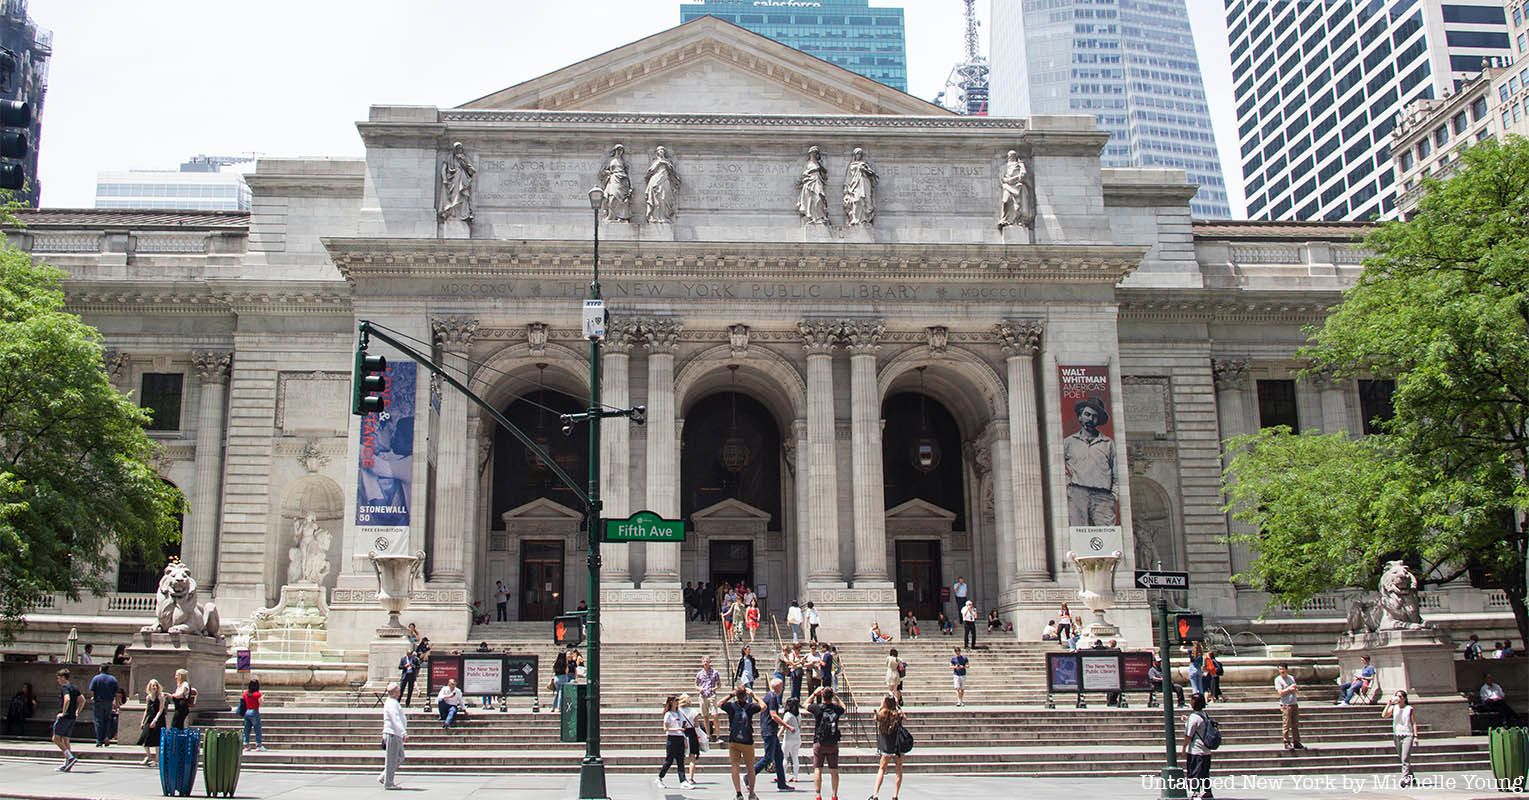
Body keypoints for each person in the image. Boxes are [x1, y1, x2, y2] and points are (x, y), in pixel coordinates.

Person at [1063, 396, 1118, 527]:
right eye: (1087, 414)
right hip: (1077, 494)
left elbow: (1116, 470)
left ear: (1098, 420)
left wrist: (1114, 494)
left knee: (1106, 536)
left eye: (1094, 416)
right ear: (1080, 417)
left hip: (1103, 496)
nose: (1090, 419)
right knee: (1078, 534)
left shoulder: (1108, 443)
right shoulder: (1068, 442)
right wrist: (1067, 488)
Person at [720, 686, 765, 800]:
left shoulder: (731, 706)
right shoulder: (750, 707)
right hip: (747, 741)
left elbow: (719, 703)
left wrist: (731, 695)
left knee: (735, 766)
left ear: (737, 694)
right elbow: (764, 706)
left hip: (734, 740)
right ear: (745, 695)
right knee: (750, 767)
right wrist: (753, 695)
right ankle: (751, 793)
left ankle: (739, 793)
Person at [752, 677, 793, 792]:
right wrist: (787, 725)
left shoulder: (769, 696)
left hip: (771, 731)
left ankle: (781, 783)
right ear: (778, 687)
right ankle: (749, 776)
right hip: (769, 730)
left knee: (779, 757)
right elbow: (773, 715)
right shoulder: (773, 697)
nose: (783, 687)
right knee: (768, 757)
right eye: (781, 685)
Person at [807, 687, 846, 800]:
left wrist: (814, 694)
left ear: (822, 696)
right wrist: (836, 697)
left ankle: (818, 794)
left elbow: (805, 704)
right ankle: (834, 795)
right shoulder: (836, 708)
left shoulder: (818, 708)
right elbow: (844, 707)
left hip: (819, 741)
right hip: (832, 743)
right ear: (831, 696)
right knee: (834, 770)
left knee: (818, 768)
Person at [870, 695, 907, 800]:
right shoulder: (898, 713)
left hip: (886, 745)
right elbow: (905, 717)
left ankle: (876, 793)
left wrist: (881, 706)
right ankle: (895, 795)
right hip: (897, 745)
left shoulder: (882, 714)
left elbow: (875, 718)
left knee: (882, 768)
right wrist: (898, 707)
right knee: (899, 770)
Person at [1382, 689, 1418, 787]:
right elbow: (1384, 715)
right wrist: (1388, 704)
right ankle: (1412, 778)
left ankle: (1404, 779)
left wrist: (1415, 736)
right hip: (1397, 735)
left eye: (1400, 696)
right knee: (1402, 758)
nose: (1398, 698)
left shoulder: (1409, 708)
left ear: (1404, 698)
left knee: (1405, 758)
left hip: (1407, 734)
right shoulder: (1394, 708)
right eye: (1397, 696)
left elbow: (1413, 723)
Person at [1182, 693, 1214, 799]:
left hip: (1196, 750)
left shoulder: (1194, 717)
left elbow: (1188, 735)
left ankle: (1195, 792)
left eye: (1192, 700)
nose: (1191, 702)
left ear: (1194, 702)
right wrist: (1187, 720)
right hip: (1206, 750)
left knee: (1195, 772)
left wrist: (1183, 749)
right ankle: (1207, 791)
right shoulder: (1204, 715)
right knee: (1205, 772)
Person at [52, 668, 83, 772]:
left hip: (65, 717)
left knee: (56, 738)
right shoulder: (74, 688)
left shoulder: (65, 688)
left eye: (59, 678)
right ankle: (67, 764)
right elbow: (82, 700)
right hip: (72, 717)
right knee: (66, 740)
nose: (58, 680)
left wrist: (63, 713)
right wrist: (77, 711)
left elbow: (67, 699)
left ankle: (70, 757)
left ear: (63, 677)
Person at [657, 694, 688, 790]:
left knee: (680, 760)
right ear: (671, 702)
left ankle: (683, 781)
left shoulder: (680, 713)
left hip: (680, 737)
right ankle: (660, 778)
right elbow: (665, 728)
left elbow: (683, 725)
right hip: (672, 738)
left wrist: (684, 737)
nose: (677, 702)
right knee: (669, 760)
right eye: (675, 701)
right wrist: (677, 728)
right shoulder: (668, 714)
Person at [380, 681, 407, 790]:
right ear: (395, 692)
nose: (400, 691)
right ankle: (389, 783)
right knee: (392, 759)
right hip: (392, 733)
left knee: (400, 757)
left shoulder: (394, 702)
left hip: (396, 734)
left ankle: (384, 777)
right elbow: (395, 719)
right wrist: (403, 732)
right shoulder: (391, 703)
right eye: (398, 690)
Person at [87, 664, 118, 748]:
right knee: (108, 720)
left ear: (100, 669)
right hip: (109, 702)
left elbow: (92, 690)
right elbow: (116, 692)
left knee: (98, 721)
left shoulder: (96, 678)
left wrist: (93, 697)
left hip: (98, 702)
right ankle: (107, 737)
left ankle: (99, 740)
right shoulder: (113, 679)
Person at [1274, 664, 1304, 751]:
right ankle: (1286, 741)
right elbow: (1280, 692)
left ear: (1286, 669)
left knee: (1295, 724)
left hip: (1294, 703)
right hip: (1285, 704)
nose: (1281, 671)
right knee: (1286, 724)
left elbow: (1295, 687)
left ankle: (1296, 742)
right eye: (1280, 669)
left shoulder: (1291, 678)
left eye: (1283, 669)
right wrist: (1289, 689)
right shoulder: (1278, 680)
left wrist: (1293, 689)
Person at [137, 679, 165, 767]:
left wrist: (155, 720)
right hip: (149, 718)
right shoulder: (148, 697)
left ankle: (157, 759)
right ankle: (148, 756)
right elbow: (146, 709)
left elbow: (161, 709)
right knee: (144, 737)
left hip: (158, 719)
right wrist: (143, 721)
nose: (154, 687)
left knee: (157, 739)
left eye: (156, 685)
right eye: (153, 685)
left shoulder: (161, 696)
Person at [677, 694, 702, 790]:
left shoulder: (678, 711)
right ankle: (691, 778)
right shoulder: (693, 711)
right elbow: (696, 724)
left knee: (681, 757)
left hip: (681, 733)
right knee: (692, 757)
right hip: (691, 733)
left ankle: (683, 777)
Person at [696, 655, 722, 740]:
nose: (706, 663)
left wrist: (714, 689)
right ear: (702, 662)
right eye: (704, 661)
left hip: (711, 695)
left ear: (709, 662)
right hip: (703, 695)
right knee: (705, 716)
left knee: (715, 715)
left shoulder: (715, 672)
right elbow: (696, 684)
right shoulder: (700, 673)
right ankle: (708, 735)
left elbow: (719, 684)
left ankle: (718, 734)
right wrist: (699, 688)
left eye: (707, 661)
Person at [782, 697, 803, 785]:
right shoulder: (799, 715)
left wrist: (778, 735)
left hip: (788, 738)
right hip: (797, 738)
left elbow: (783, 725)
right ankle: (796, 776)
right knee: (795, 757)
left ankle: (782, 775)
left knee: (785, 756)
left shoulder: (788, 715)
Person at [241, 679, 265, 751]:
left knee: (246, 729)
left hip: (247, 712)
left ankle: (246, 745)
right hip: (254, 711)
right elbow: (261, 703)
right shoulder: (257, 694)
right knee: (257, 729)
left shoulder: (245, 693)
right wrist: (263, 698)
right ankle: (258, 745)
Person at [474, 642, 496, 710]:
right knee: (486, 691)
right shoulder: (489, 653)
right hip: (486, 673)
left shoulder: (478, 653)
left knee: (486, 691)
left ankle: (486, 704)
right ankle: (487, 704)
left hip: (485, 673)